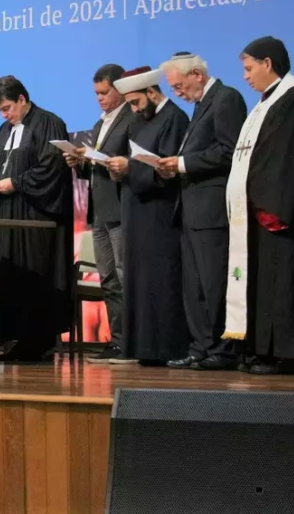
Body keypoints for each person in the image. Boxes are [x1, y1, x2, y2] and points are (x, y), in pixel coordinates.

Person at [224, 36, 294, 375]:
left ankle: (287, 355)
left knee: (282, 280)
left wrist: (267, 203)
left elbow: (286, 159)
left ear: (268, 63)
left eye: (249, 68)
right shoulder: (264, 104)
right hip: (257, 210)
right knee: (262, 282)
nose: (245, 76)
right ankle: (260, 349)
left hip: (278, 211)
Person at [158, 51, 248, 371]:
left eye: (178, 86)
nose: (176, 93)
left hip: (212, 210)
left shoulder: (226, 99)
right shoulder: (200, 105)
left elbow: (229, 151)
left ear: (196, 74)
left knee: (214, 284)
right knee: (194, 288)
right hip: (192, 209)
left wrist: (182, 163)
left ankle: (223, 350)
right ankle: (200, 346)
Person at [0, 76, 73, 363]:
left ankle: (39, 342)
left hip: (35, 214)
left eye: (7, 108)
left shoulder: (49, 123)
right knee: (12, 273)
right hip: (8, 212)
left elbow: (51, 167)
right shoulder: (4, 130)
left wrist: (16, 183)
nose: (4, 115)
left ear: (22, 99)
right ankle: (17, 340)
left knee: (35, 274)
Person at [105, 67, 189, 365]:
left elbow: (166, 168)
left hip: (159, 213)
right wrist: (119, 169)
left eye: (136, 102)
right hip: (136, 210)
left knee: (160, 280)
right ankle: (141, 347)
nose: (134, 109)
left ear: (152, 93)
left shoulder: (174, 119)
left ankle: (164, 348)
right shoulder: (140, 121)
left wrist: (130, 168)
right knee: (138, 280)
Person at [65, 64, 133, 363]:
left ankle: (133, 340)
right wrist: (78, 163)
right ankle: (118, 341)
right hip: (100, 210)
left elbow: (132, 161)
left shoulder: (131, 118)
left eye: (104, 93)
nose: (100, 99)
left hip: (120, 207)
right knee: (108, 279)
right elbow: (95, 169)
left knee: (123, 274)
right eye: (96, 94)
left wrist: (108, 160)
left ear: (120, 89)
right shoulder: (99, 124)